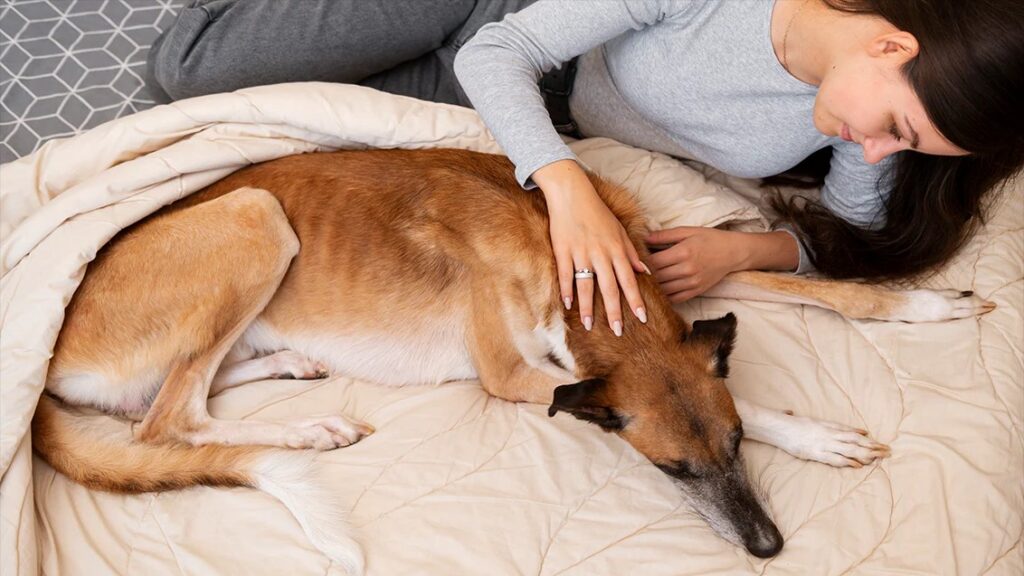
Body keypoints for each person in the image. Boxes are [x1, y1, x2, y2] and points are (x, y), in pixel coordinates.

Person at [147, 0, 1023, 337]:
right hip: (504, 18)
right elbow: (503, 50)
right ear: (888, 43)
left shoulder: (850, 116)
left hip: (529, 103)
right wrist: (562, 187)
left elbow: (860, 226)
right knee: (187, 69)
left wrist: (741, 255)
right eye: (897, 127)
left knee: (291, 122)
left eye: (903, 149)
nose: (877, 154)